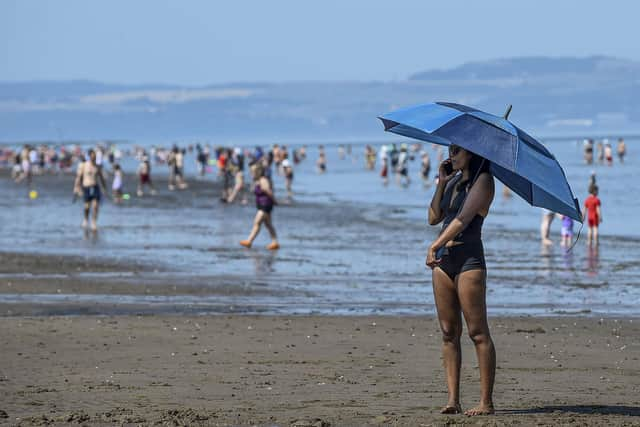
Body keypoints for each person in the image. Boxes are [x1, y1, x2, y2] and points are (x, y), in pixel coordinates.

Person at [426, 144, 496, 416]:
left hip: (469, 260)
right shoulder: (454, 181)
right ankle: (453, 400)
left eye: (457, 151)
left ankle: (485, 402)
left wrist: (433, 246)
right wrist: (441, 184)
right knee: (448, 332)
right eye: (450, 150)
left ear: (473, 153)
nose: (451, 155)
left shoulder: (485, 181)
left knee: (477, 332)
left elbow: (464, 219)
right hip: (445, 262)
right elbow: (434, 217)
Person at [239, 163, 280, 250]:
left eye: (252, 172)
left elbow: (268, 191)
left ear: (258, 172)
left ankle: (249, 241)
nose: (251, 174)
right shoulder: (257, 181)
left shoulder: (263, 180)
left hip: (266, 205)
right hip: (261, 204)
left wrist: (275, 201)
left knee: (257, 222)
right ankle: (275, 242)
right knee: (268, 224)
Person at [73, 149, 108, 231]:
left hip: (95, 187)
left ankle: (94, 222)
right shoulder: (84, 165)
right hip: (86, 187)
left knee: (95, 206)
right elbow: (78, 177)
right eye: (92, 156)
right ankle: (85, 219)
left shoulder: (97, 166)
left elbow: (102, 178)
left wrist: (104, 188)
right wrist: (76, 188)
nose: (94, 158)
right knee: (87, 206)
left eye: (95, 156)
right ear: (89, 156)